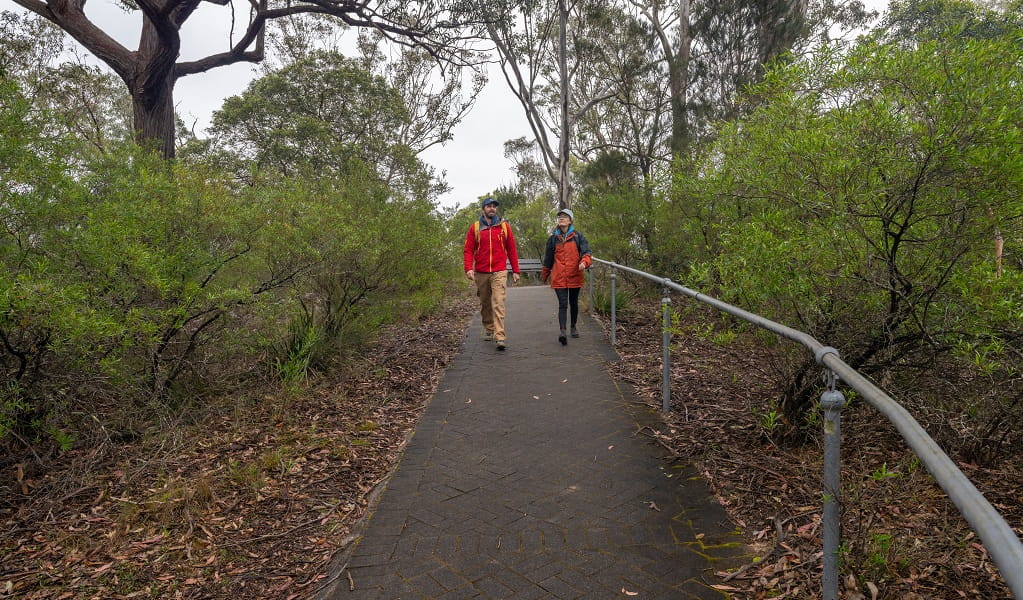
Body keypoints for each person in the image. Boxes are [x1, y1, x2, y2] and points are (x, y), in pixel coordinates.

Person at [464, 197, 521, 350]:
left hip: (499, 271)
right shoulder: (475, 227)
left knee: (498, 301)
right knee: (485, 303)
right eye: (488, 206)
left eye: (494, 207)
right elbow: (469, 249)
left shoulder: (504, 227)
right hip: (481, 272)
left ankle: (500, 336)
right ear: (483, 209)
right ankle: (489, 327)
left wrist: (516, 270)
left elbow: (512, 249)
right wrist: (468, 268)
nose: (492, 209)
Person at [540, 208, 592, 345]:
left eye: (564, 216)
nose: (561, 218)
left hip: (575, 275)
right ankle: (563, 332)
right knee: (563, 304)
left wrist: (584, 263)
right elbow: (548, 260)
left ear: (570, 220)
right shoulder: (553, 239)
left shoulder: (578, 237)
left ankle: (573, 326)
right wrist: (544, 275)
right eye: (559, 216)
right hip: (559, 276)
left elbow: (587, 253)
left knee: (573, 303)